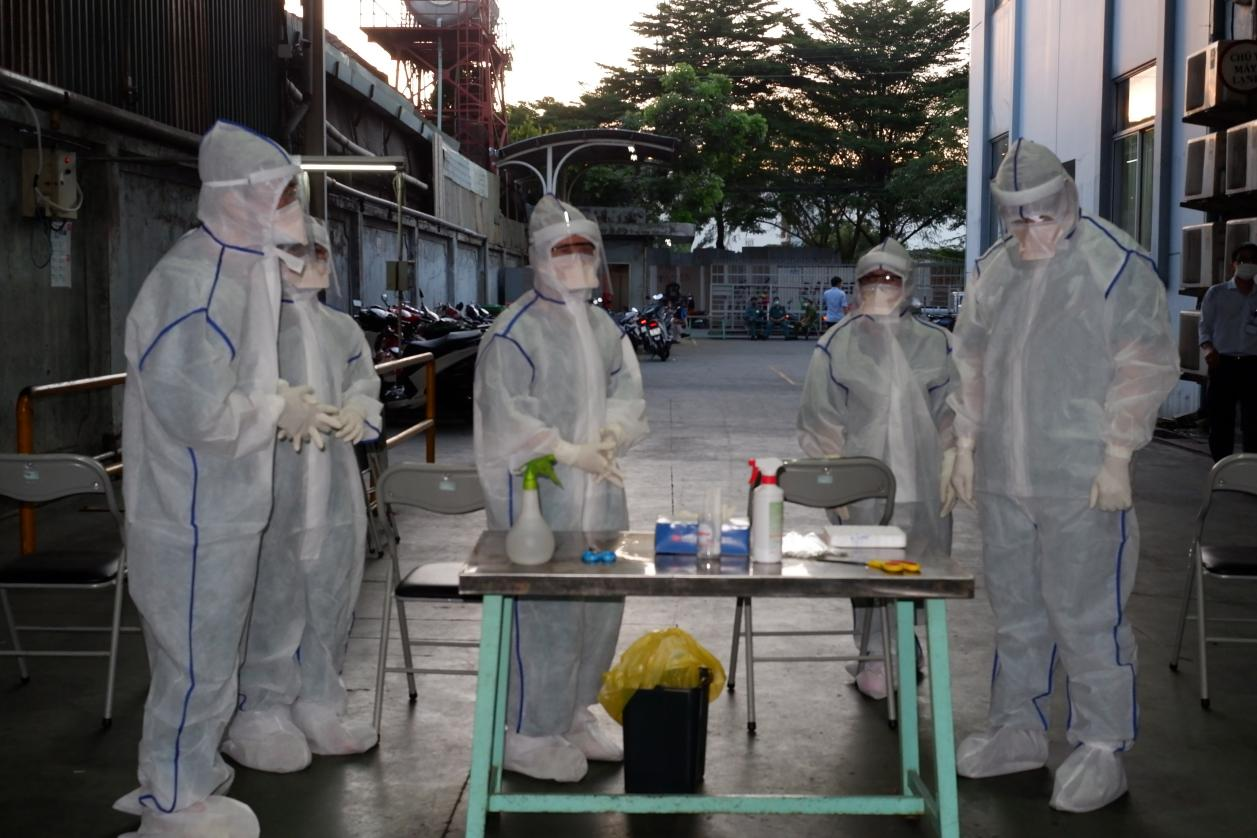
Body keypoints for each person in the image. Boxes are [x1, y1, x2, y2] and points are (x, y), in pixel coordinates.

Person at [115, 121, 339, 836]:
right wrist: (277, 407)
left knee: (207, 657)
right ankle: (172, 801)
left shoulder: (246, 270)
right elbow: (196, 412)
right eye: (278, 196)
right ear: (234, 198)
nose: (291, 210)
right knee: (195, 662)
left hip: (225, 506)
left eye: (291, 194)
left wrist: (275, 401)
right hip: (189, 511)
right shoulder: (193, 280)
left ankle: (190, 779)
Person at [948, 139, 1178, 813]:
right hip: (1004, 472)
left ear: (1066, 199)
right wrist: (964, 443)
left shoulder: (1113, 263)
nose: (1028, 228)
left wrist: (1117, 454)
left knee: (1087, 613)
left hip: (1080, 474)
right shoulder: (996, 268)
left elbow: (1143, 362)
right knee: (1015, 609)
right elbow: (971, 358)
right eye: (1014, 215)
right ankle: (1016, 730)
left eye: (1040, 213)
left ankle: (1102, 746)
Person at [474, 196, 649, 782]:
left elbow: (626, 390)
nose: (576, 261)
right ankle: (527, 732)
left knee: (598, 601)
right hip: (539, 497)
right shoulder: (514, 331)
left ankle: (573, 712)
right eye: (563, 250)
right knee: (543, 608)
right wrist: (567, 450)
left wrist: (612, 433)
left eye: (584, 249)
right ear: (539, 257)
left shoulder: (601, 327)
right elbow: (506, 415)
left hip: (600, 491)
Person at [223, 218, 383, 773]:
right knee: (269, 593)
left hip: (334, 487)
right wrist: (273, 406)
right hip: (271, 487)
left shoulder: (342, 329)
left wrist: (361, 408)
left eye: (319, 249)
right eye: (296, 250)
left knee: (332, 590)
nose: (313, 259)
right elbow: (225, 394)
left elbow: (364, 380)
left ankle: (319, 701)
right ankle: (258, 711)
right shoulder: (250, 327)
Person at [797, 238, 957, 700]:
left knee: (918, 568)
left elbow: (954, 411)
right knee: (866, 570)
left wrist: (955, 458)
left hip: (923, 481)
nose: (880, 288)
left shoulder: (938, 344)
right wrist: (835, 479)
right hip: (863, 486)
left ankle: (905, 643)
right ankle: (873, 653)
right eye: (871, 280)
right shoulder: (837, 344)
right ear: (857, 283)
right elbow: (820, 418)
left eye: (890, 280)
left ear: (908, 284)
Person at [1198, 241, 1257, 461]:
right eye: (1243, 260)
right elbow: (1204, 327)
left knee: (1254, 423)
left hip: (1252, 365)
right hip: (1223, 363)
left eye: (1253, 260)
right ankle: (1222, 468)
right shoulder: (1217, 293)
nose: (1248, 264)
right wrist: (1208, 349)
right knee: (1221, 421)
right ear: (1234, 264)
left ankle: (1251, 469)